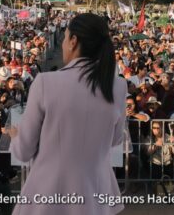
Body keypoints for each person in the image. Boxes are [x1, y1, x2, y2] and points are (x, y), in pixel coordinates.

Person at [9, 13, 127, 215]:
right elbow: (115, 139)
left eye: (64, 38)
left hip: (48, 196)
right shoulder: (118, 86)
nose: (63, 44)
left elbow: (23, 151)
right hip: (95, 196)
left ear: (73, 41)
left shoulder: (45, 83)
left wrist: (15, 136)